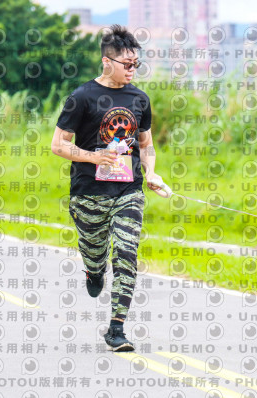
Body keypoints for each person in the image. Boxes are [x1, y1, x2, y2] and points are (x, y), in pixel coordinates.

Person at [51, 24, 167, 352]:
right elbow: (58, 145)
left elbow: (145, 145)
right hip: (88, 192)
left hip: (129, 190)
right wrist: (93, 157)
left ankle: (117, 328)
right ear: (106, 61)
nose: (132, 70)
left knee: (127, 253)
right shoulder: (81, 97)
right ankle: (93, 270)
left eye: (136, 64)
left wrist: (152, 173)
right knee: (94, 250)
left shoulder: (139, 99)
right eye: (126, 64)